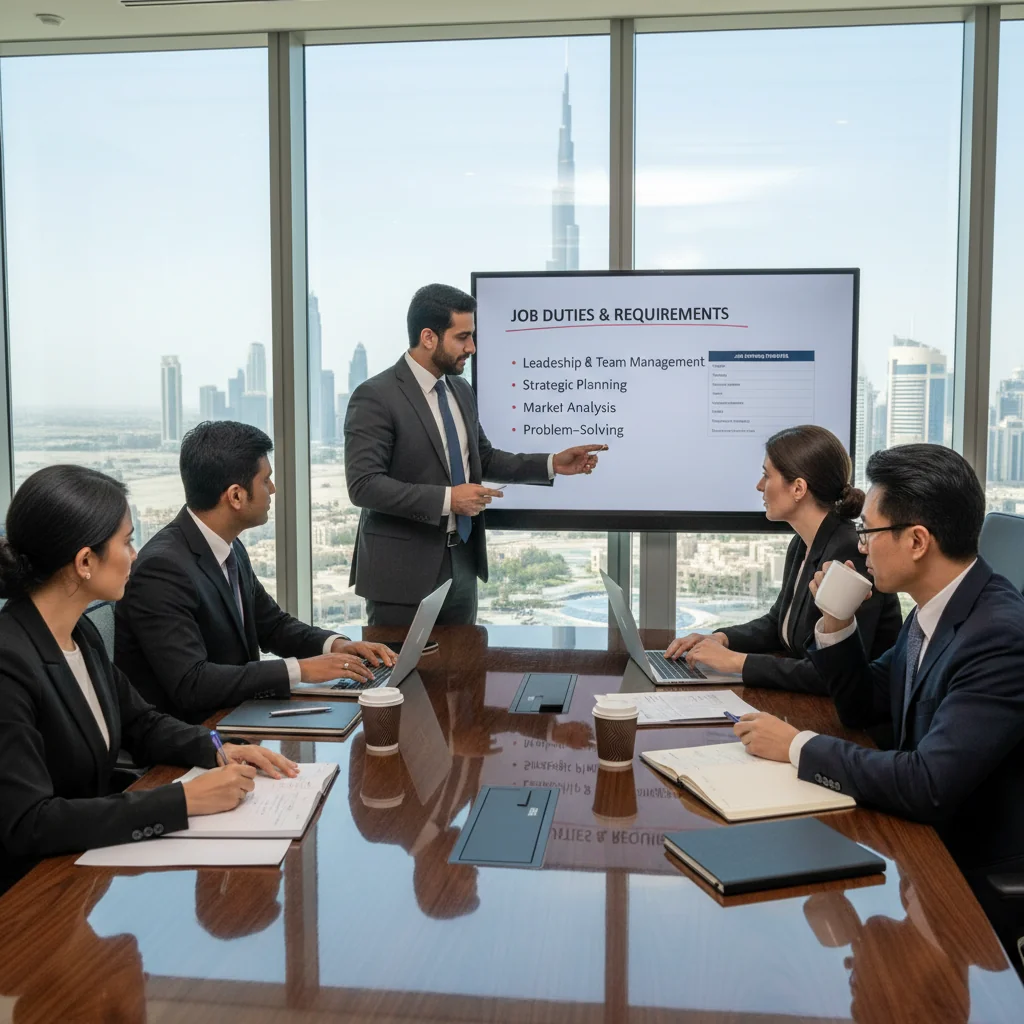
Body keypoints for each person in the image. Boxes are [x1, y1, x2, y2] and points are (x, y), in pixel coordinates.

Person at [732, 444, 1024, 974]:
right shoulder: (934, 612)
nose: (860, 544)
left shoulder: (998, 635)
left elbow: (928, 784)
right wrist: (836, 623)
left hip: (965, 874)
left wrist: (796, 746)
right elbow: (862, 705)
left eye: (868, 530)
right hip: (920, 842)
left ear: (917, 541)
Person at [0, 465, 297, 894]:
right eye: (126, 541)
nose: (136, 554)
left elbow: (141, 723)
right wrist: (183, 801)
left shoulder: (79, 633)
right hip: (30, 892)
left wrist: (218, 748)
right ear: (85, 562)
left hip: (83, 871)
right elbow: (29, 822)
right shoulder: (9, 662)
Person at [344, 282, 606, 625]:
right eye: (462, 337)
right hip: (400, 576)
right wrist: (449, 499)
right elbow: (364, 485)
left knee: (465, 661)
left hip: (463, 567)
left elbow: (483, 458)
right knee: (401, 663)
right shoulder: (375, 396)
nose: (472, 347)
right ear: (428, 337)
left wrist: (552, 463)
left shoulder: (460, 389)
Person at [115, 421, 395, 724]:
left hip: (237, 714)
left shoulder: (228, 546)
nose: (272, 489)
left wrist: (337, 645)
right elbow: (192, 683)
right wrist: (301, 670)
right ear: (236, 496)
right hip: (196, 733)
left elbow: (272, 625)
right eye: (266, 480)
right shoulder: (161, 569)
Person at [666, 424, 902, 694]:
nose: (759, 486)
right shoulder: (802, 543)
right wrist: (721, 638)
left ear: (798, 488)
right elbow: (778, 623)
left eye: (767, 476)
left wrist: (737, 662)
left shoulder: (849, 553)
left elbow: (833, 672)